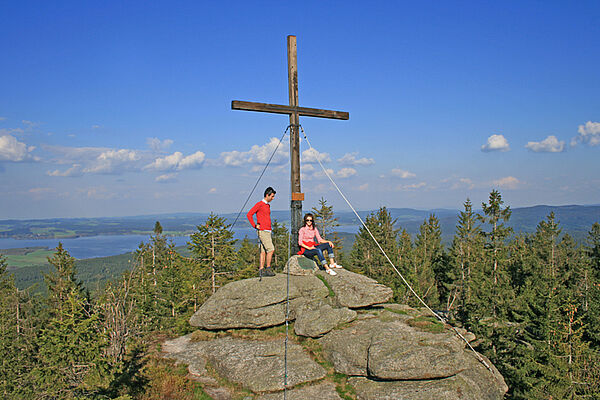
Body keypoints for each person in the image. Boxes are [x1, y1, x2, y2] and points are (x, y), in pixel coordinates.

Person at [247, 187, 277, 277]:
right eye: (272, 196)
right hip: (263, 231)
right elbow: (249, 214)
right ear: (267, 195)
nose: (273, 198)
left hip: (267, 230)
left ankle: (261, 269)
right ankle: (268, 268)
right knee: (271, 249)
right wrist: (255, 225)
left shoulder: (267, 205)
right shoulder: (259, 204)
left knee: (263, 251)